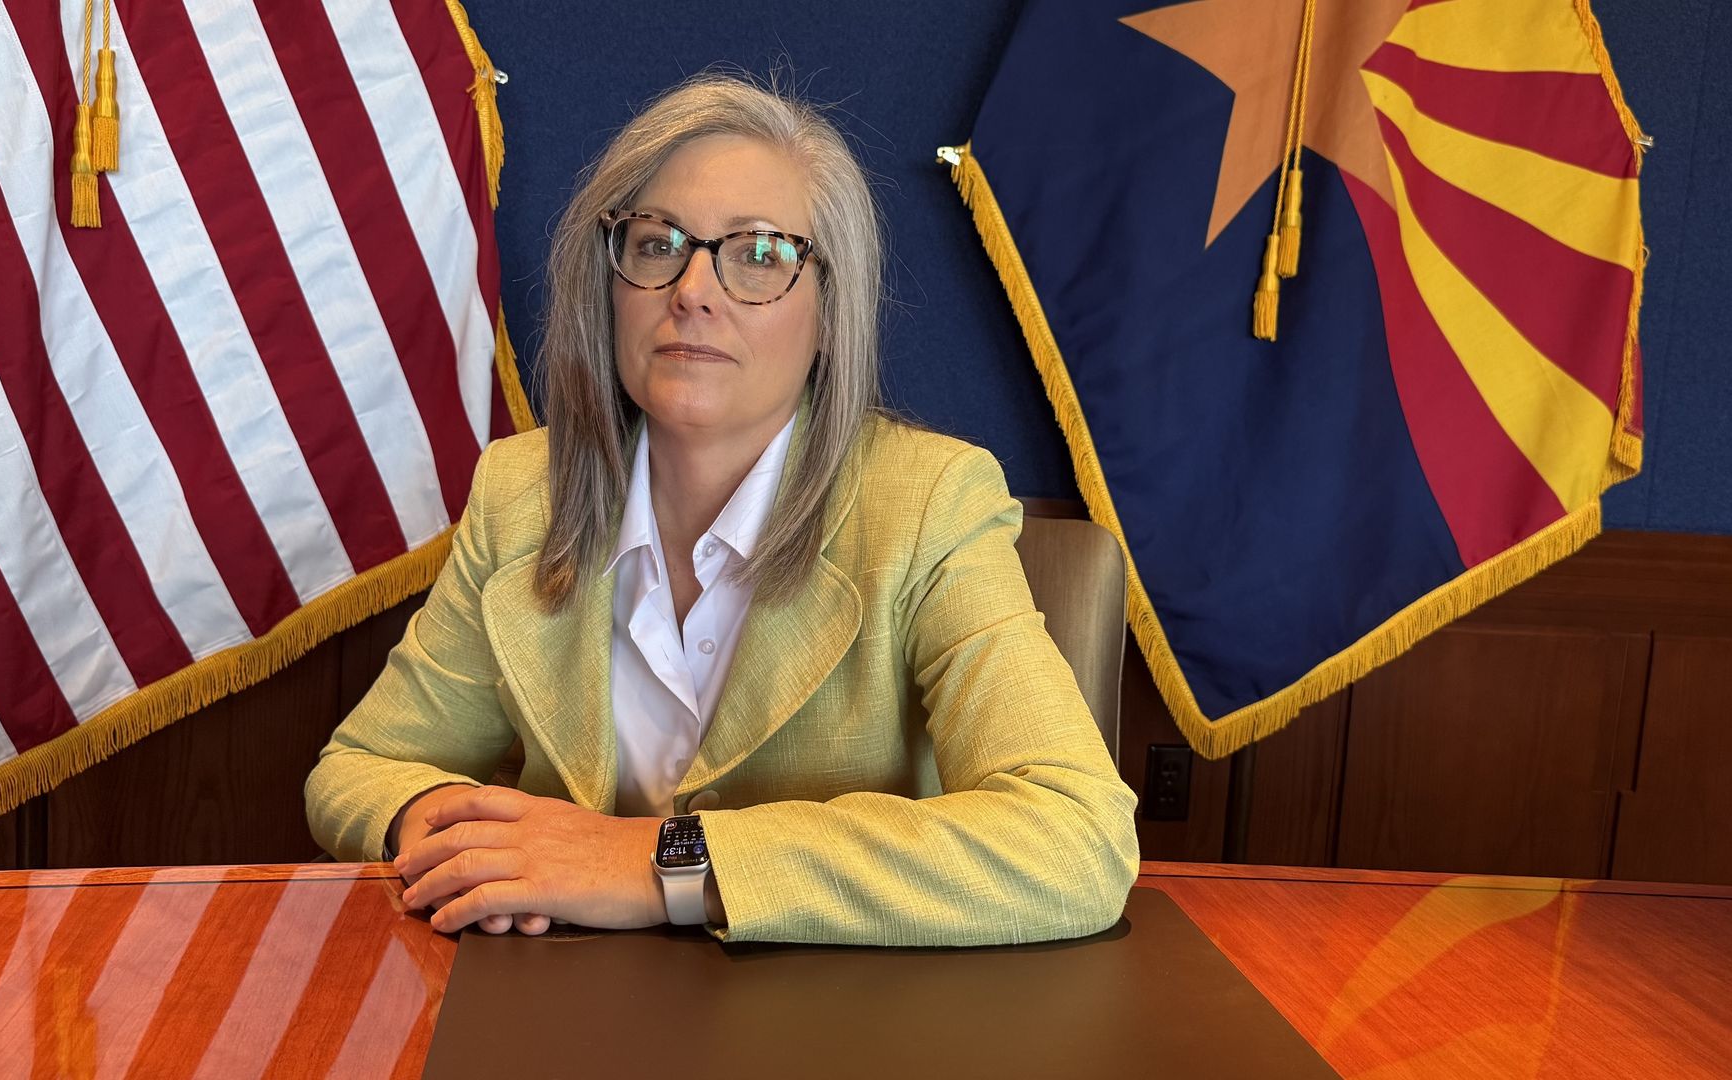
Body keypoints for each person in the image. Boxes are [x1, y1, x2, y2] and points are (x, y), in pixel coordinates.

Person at [305, 74, 1140, 946]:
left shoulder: (930, 502)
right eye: (656, 243)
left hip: (836, 1007)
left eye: (761, 254)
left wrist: (661, 863)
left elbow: (1076, 840)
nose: (692, 290)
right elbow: (363, 768)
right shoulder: (521, 492)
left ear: (831, 312)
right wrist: (464, 837)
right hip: (561, 997)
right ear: (609, 285)